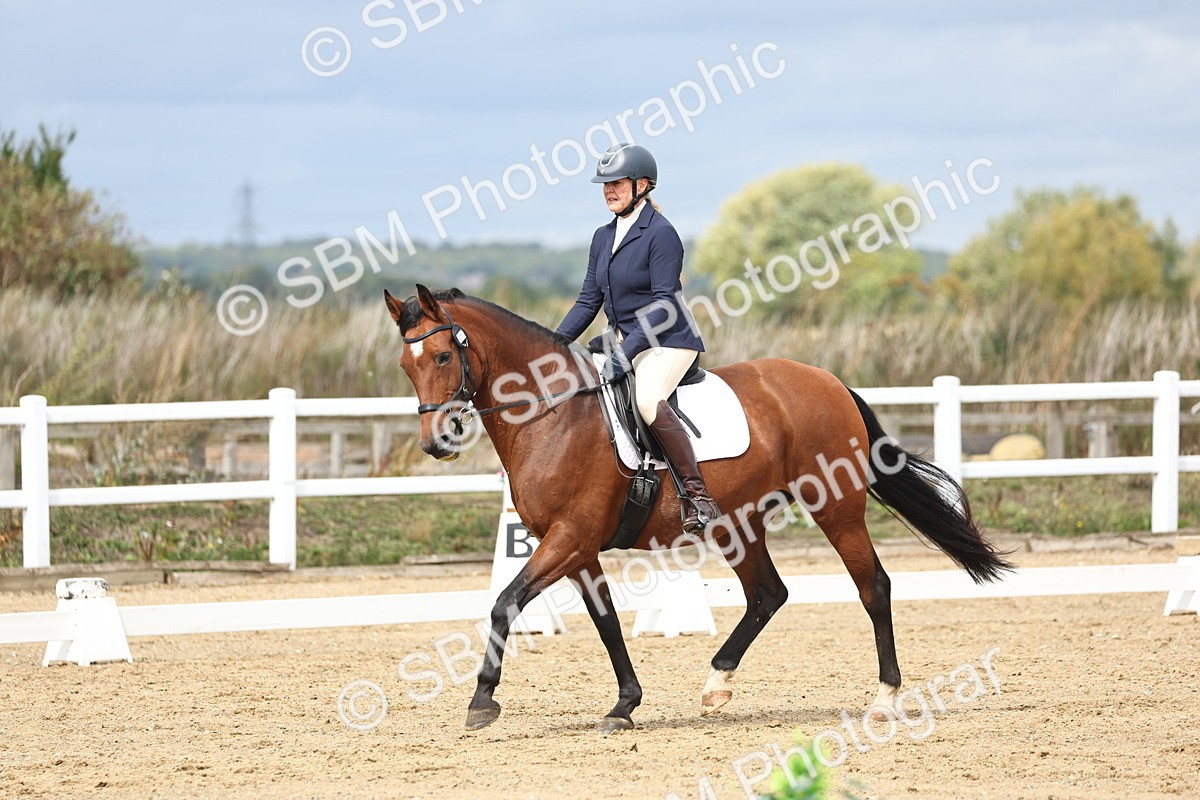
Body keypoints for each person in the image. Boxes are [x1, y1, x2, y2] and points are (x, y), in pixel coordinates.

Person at [555, 143, 722, 533]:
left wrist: (625, 353)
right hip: (625, 340)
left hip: (668, 341)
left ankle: (698, 496)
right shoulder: (602, 236)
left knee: (648, 399)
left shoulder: (661, 234)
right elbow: (587, 301)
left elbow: (665, 305)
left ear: (642, 185)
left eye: (616, 182)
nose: (608, 190)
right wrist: (551, 344)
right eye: (604, 184)